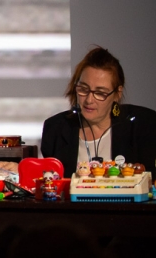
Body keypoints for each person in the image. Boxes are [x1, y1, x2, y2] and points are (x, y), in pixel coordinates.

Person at [41, 45, 156, 176]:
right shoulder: (55, 129)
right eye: (83, 89)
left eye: (100, 93)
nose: (89, 100)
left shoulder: (143, 125)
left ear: (117, 94)